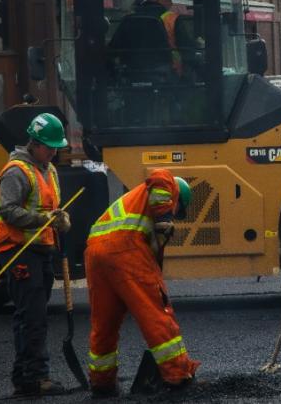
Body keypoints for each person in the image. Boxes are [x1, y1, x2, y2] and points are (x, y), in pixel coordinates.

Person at [85, 168, 200, 397]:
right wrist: (165, 217)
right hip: (124, 249)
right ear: (177, 198)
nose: (175, 214)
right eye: (177, 211)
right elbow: (160, 174)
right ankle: (177, 375)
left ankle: (102, 382)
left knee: (104, 323)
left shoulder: (134, 205)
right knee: (155, 313)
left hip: (95, 253)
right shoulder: (169, 185)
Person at [0, 112, 72, 397]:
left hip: (40, 249)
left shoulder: (48, 169)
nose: (54, 151)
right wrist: (44, 220)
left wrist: (59, 219)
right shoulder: (16, 172)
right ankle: (37, 378)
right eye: (49, 146)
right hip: (17, 250)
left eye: (55, 146)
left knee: (30, 314)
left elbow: (48, 207)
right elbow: (7, 211)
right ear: (34, 143)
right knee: (33, 316)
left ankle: (23, 377)